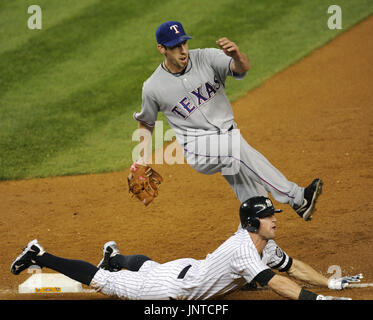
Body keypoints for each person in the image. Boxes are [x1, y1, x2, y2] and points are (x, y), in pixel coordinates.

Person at [132, 20, 322, 221]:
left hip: (230, 135)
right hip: (198, 146)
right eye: (175, 47)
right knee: (235, 148)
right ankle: (297, 197)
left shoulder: (206, 57)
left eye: (184, 44)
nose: (182, 50)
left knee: (255, 201)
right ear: (162, 49)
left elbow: (241, 68)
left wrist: (237, 56)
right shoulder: (153, 87)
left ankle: (263, 249)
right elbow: (147, 122)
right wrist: (141, 158)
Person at [10, 197, 363, 300]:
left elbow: (291, 267)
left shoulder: (263, 245)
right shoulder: (244, 250)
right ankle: (40, 255)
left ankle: (116, 258)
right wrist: (320, 302)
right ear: (253, 224)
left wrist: (329, 284)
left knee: (148, 264)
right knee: (104, 282)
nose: (276, 221)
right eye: (270, 217)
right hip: (171, 292)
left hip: (187, 269)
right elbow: (277, 283)